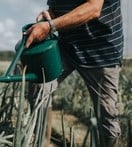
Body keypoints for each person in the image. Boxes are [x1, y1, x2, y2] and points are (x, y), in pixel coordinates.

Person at [24, 0, 123, 147]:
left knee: (106, 115)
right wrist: (51, 14)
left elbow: (94, 8)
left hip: (100, 50)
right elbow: (58, 6)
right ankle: (42, 142)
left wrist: (50, 26)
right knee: (40, 86)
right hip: (67, 46)